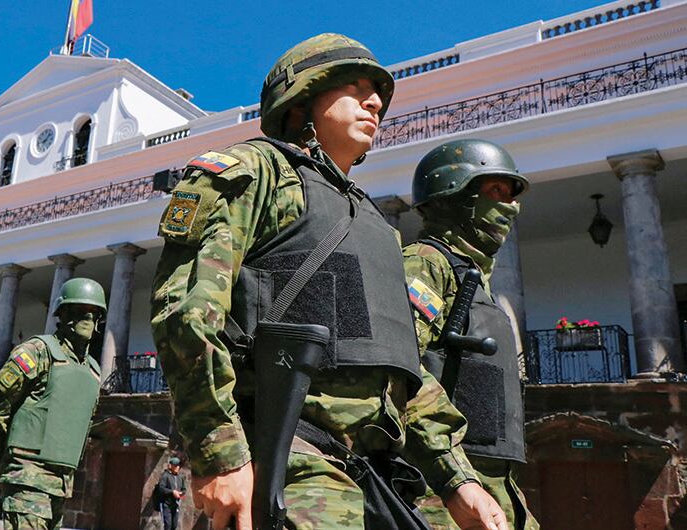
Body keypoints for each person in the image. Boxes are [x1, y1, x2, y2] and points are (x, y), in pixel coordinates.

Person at [151, 33, 507, 530]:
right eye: (354, 88)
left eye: (378, 93)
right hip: (292, 459)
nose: (375, 101)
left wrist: (457, 479)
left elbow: (404, 366)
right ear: (300, 100)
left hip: (378, 474)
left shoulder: (377, 225)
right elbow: (188, 312)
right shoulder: (253, 172)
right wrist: (220, 452)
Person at [404, 139, 539, 530]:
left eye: (512, 195)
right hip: (442, 492)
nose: (510, 206)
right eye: (495, 191)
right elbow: (403, 371)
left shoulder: (475, 279)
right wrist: (455, 479)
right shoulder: (426, 264)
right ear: (453, 196)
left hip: (495, 485)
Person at [0, 278, 107, 530]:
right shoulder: (37, 351)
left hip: (60, 484)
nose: (87, 318)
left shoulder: (93, 370)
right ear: (63, 314)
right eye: (80, 310)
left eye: (94, 313)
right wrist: (3, 459)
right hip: (27, 478)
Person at [158, 456, 188, 530]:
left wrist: (181, 493)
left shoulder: (180, 477)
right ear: (170, 466)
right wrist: (172, 492)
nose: (177, 467)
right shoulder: (165, 476)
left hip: (176, 505)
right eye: (175, 465)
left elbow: (184, 489)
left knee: (174, 526)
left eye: (178, 465)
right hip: (166, 504)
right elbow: (161, 488)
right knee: (168, 525)